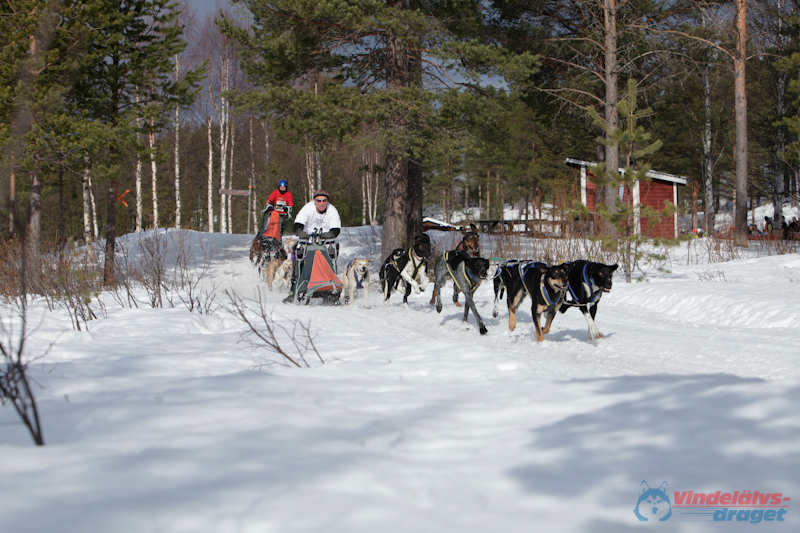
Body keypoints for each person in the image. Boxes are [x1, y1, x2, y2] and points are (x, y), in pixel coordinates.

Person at [283, 190, 341, 303]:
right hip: (307, 243)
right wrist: (300, 233)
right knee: (299, 263)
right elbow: (297, 225)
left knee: (329, 263)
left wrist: (330, 234)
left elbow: (336, 229)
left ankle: (330, 290)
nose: (322, 203)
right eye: (318, 201)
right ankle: (295, 289)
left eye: (324, 201)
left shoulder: (332, 210)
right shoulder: (307, 208)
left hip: (326, 244)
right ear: (314, 201)